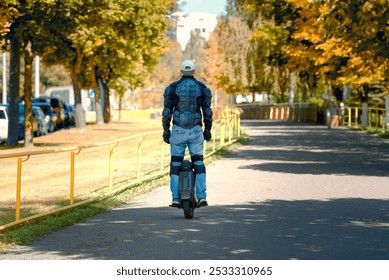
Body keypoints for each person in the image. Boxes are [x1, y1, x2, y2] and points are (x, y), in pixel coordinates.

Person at [162, 60, 213, 208]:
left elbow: (167, 112)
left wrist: (166, 130)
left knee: (175, 163)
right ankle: (202, 197)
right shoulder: (202, 88)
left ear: (181, 71)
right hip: (195, 130)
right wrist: (207, 130)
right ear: (194, 71)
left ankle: (176, 199)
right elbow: (207, 112)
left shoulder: (172, 88)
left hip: (178, 130)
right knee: (198, 162)